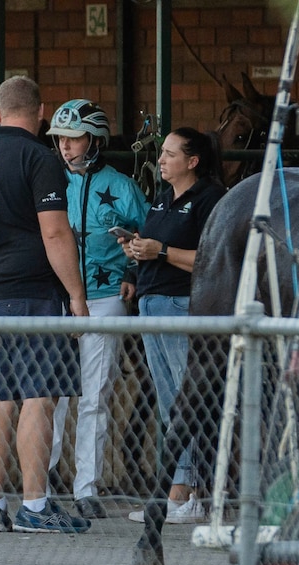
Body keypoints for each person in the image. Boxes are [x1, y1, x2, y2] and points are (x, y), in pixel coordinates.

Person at [0, 75, 92, 534]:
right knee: (38, 398)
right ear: (40, 112)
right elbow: (54, 232)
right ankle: (34, 506)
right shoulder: (39, 158)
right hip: (33, 295)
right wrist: (77, 297)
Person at [44, 99, 150, 519]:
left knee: (95, 396)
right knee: (52, 397)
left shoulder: (123, 187)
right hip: (58, 299)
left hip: (106, 299)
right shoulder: (48, 181)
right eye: (61, 139)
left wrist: (132, 272)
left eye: (74, 138)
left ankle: (85, 487)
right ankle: (45, 478)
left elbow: (146, 236)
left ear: (95, 140)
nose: (66, 148)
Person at [121, 127, 227, 525]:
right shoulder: (163, 199)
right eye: (161, 153)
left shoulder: (210, 198)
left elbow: (211, 258)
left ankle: (197, 493)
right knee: (169, 402)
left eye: (168, 153)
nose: (161, 159)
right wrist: (135, 252)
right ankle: (178, 492)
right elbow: (152, 246)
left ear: (192, 161)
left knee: (189, 400)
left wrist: (160, 251)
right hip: (150, 303)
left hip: (183, 304)